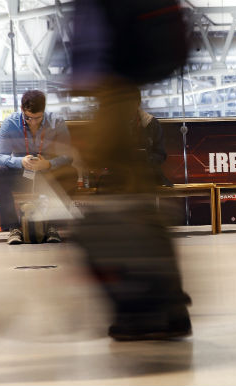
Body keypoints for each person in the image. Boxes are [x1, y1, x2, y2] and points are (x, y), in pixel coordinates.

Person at [71, 0, 192, 340]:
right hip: (123, 66)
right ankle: (162, 303)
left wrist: (84, 68)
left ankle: (152, 305)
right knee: (131, 190)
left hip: (116, 70)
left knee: (122, 191)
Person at [0, 90, 78, 245]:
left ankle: (52, 226)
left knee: (71, 173)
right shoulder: (10, 123)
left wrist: (49, 163)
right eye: (28, 118)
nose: (33, 122)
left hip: (48, 174)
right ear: (22, 110)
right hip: (21, 174)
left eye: (38, 118)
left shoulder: (56, 122)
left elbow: (68, 156)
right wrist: (20, 161)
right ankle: (13, 228)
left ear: (44, 111)